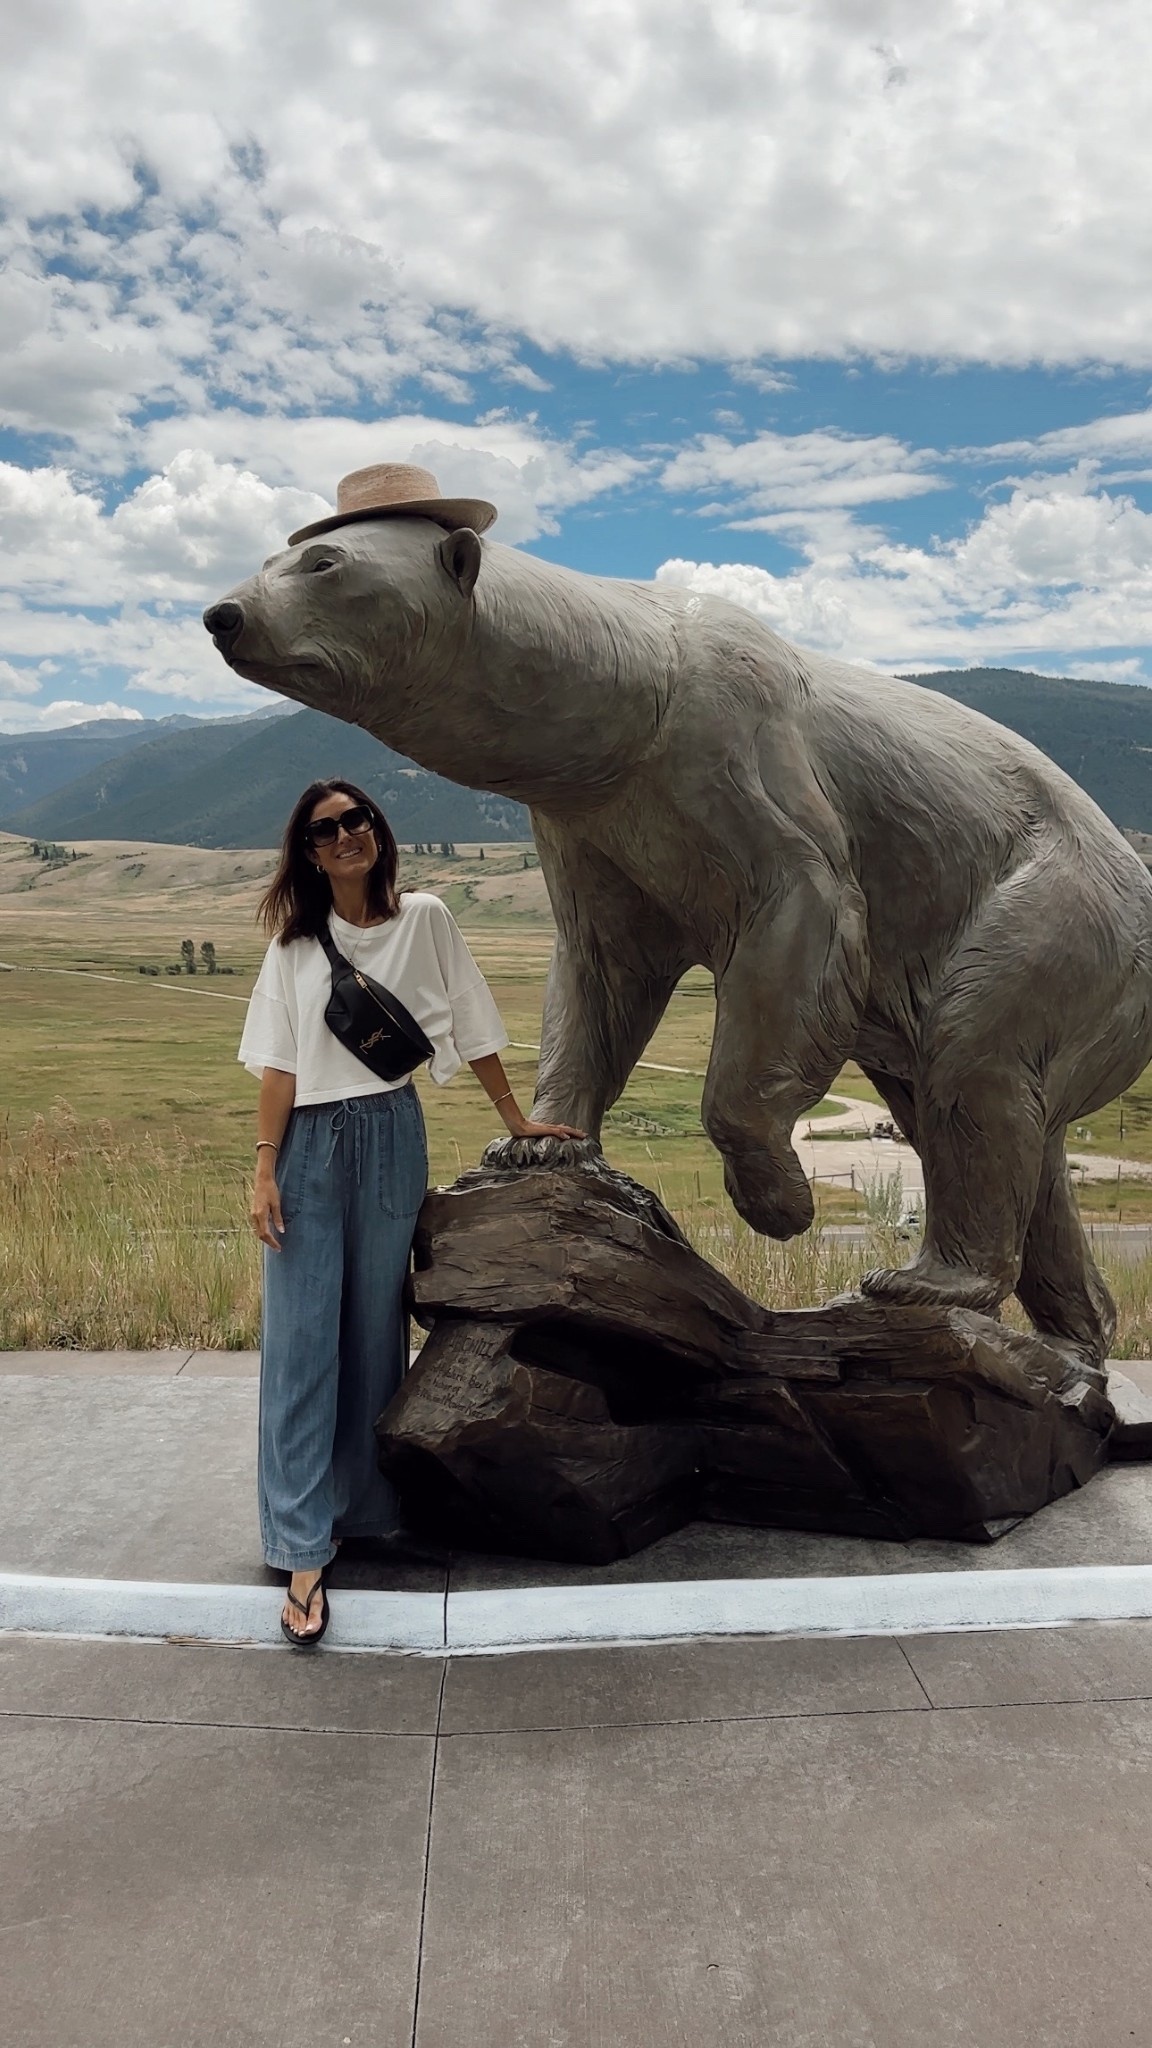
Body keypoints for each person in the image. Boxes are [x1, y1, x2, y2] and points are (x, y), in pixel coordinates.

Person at [238, 778, 582, 1645]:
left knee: (373, 1335)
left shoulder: (425, 917)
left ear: (378, 833)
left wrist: (516, 1119)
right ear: (308, 852)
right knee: (302, 1338)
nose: (347, 834)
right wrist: (263, 1169)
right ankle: (301, 1543)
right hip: (311, 1142)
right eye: (326, 828)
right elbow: (279, 1068)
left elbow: (471, 1019)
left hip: (393, 1131)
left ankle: (364, 1512)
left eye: (358, 820)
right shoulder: (293, 946)